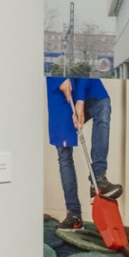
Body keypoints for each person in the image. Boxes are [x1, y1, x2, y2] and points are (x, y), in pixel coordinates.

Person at [45, 74, 122, 229]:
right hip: (59, 84)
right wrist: (59, 78)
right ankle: (74, 213)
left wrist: (80, 100)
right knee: (64, 152)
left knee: (102, 104)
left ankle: (98, 179)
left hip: (84, 79)